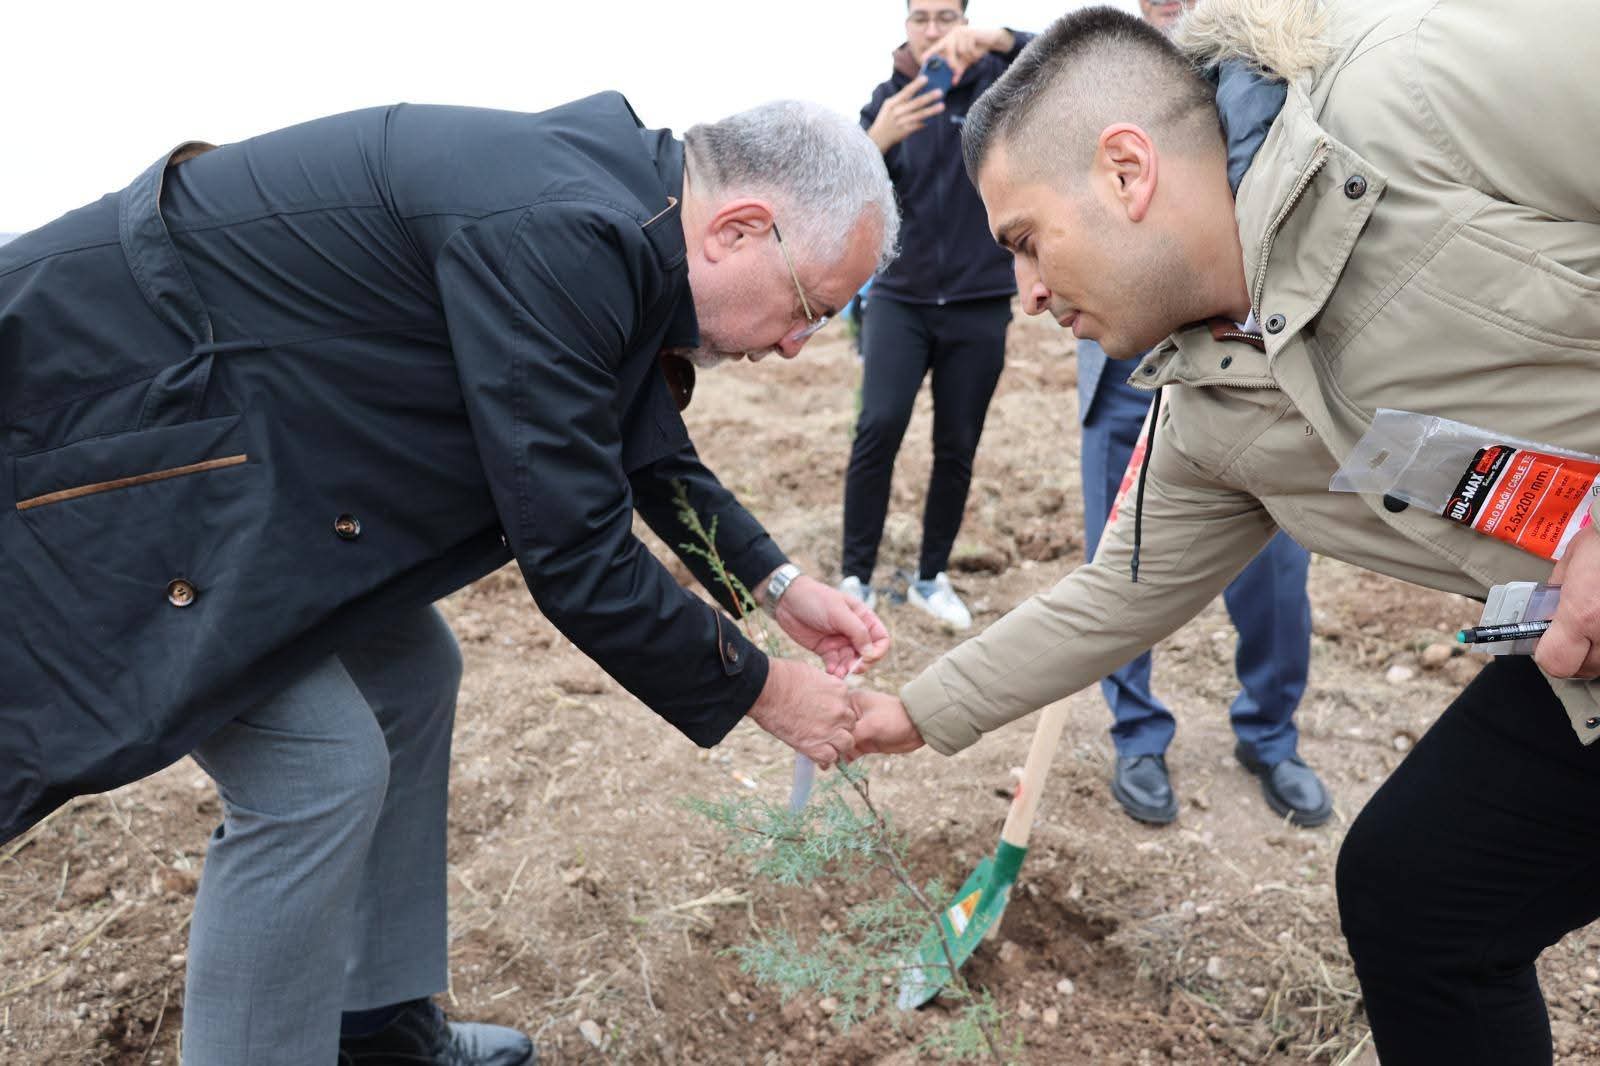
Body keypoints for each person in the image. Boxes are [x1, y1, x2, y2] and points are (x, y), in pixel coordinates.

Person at [0, 95, 896, 1065]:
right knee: (318, 772)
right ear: (738, 229)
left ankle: (378, 1024)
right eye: (811, 307)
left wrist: (774, 582)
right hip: (108, 428)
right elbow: (575, 552)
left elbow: (632, 429)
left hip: (249, 448)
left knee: (413, 670)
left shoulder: (623, 212)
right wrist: (766, 690)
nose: (801, 342)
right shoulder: (557, 228)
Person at [850, 2, 1600, 1062]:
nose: (1020, 295)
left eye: (1025, 243)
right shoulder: (1209, 410)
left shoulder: (1414, 92)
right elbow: (1118, 593)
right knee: (1419, 895)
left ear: (1124, 170)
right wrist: (907, 713)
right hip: (1582, 665)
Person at [1076, 0, 1326, 827]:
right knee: (1124, 546)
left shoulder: (1272, 47)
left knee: (1277, 564)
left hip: (1249, 353)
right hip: (1127, 351)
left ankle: (1270, 734)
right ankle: (1137, 733)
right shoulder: (1096, 69)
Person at [836, 0, 1032, 629]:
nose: (932, 30)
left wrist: (999, 40)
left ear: (965, 20)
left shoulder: (1000, 91)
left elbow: (1066, 61)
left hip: (978, 301)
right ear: (905, 25)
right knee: (878, 428)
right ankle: (855, 578)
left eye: (946, 16)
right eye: (920, 17)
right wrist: (876, 141)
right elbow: (842, 197)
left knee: (957, 444)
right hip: (901, 297)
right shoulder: (887, 101)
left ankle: (929, 576)